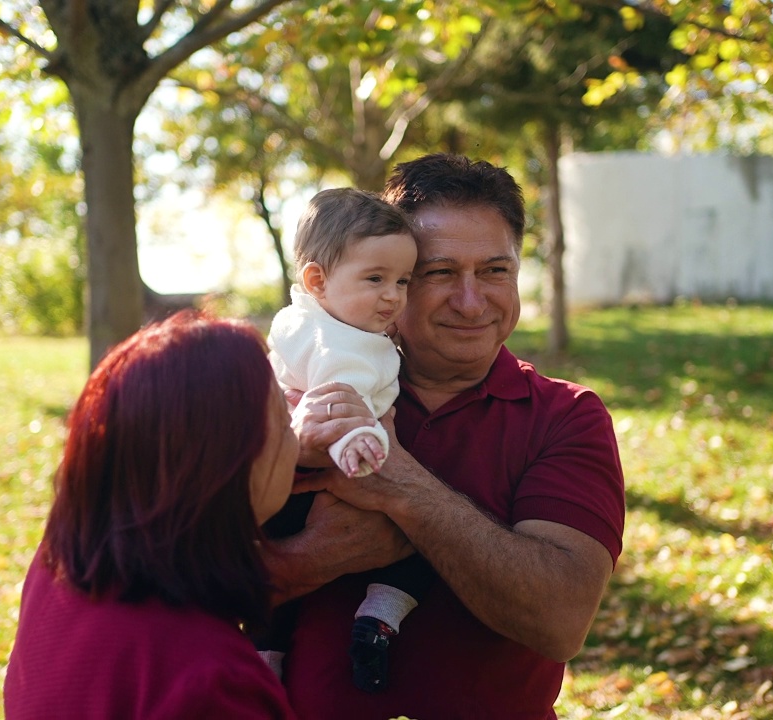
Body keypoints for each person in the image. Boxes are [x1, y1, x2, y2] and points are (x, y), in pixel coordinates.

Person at [264, 153, 626, 719]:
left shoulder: (566, 416)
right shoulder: (299, 396)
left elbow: (561, 621)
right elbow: (171, 581)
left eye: (495, 270)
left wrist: (402, 489)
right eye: (438, 273)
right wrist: (305, 560)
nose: (471, 301)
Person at [3, 312, 298, 719]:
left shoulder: (57, 566)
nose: (298, 439)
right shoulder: (215, 685)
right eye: (285, 422)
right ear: (226, 466)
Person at [261, 187, 434, 693]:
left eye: (403, 281)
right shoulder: (346, 344)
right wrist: (358, 445)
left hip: (283, 493)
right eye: (375, 279)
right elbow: (340, 401)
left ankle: (264, 660)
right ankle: (378, 620)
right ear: (317, 279)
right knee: (424, 543)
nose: (393, 296)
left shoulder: (301, 320)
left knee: (279, 604)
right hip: (340, 469)